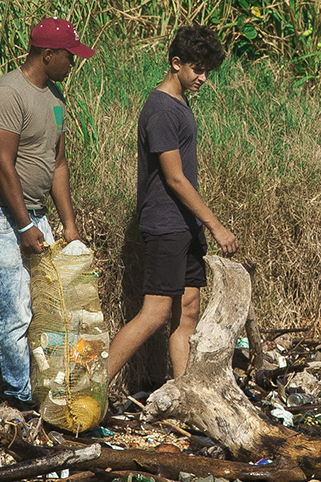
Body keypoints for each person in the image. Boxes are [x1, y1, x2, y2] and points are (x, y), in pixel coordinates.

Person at [0, 17, 95, 411]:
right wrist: (22, 224)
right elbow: (2, 164)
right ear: (47, 54)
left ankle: (50, 391)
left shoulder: (55, 98)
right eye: (69, 56)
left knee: (49, 306)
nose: (74, 62)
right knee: (14, 311)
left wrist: (68, 224)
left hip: (33, 213)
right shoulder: (7, 94)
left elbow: (57, 164)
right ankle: (20, 397)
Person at [107, 25, 238, 382]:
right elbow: (174, 177)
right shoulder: (161, 108)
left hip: (186, 225)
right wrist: (216, 225)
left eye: (208, 71)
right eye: (197, 69)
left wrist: (199, 224)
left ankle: (184, 393)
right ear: (176, 63)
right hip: (166, 224)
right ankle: (93, 387)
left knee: (189, 312)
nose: (203, 78)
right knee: (155, 313)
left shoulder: (181, 103)